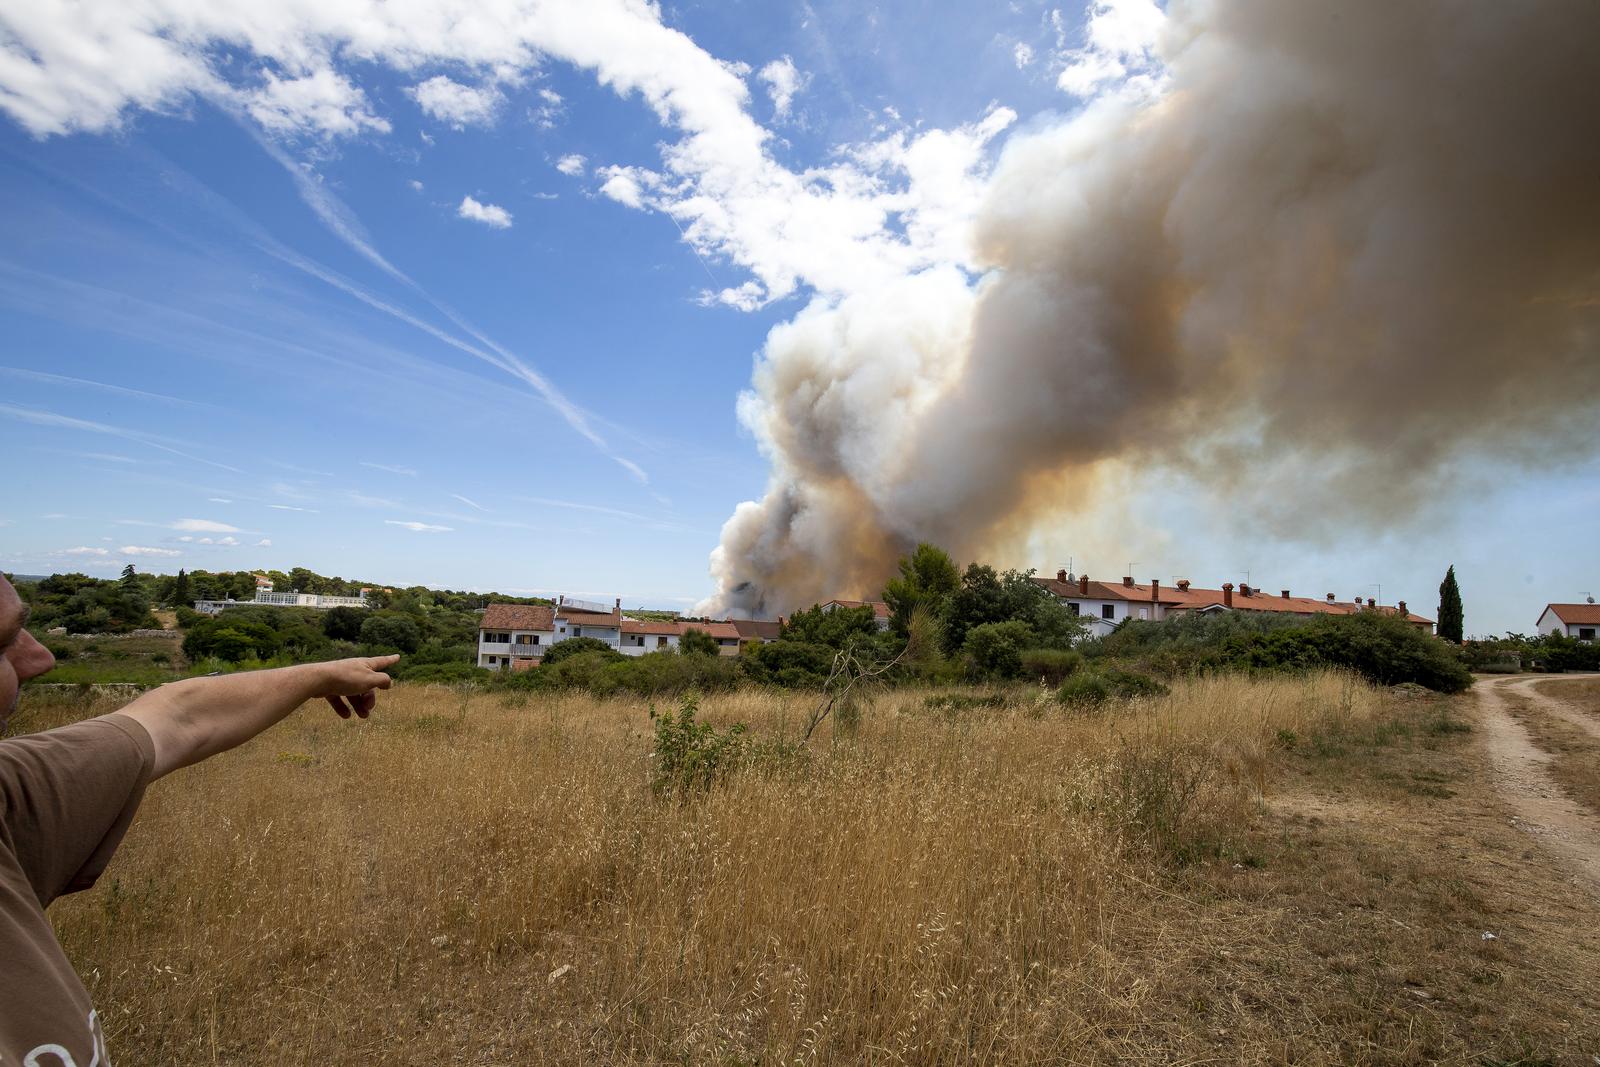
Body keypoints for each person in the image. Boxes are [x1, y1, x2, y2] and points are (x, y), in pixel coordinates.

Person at [0, 573, 398, 1062]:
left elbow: (177, 717)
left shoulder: (9, 792)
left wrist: (317, 676)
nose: (40, 659)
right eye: (2, 646)